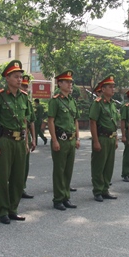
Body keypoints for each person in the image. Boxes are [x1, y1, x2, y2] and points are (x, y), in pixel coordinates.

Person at [0, 60, 33, 224]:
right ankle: (2, 211)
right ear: (7, 78)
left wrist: (27, 141)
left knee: (18, 177)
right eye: (15, 77)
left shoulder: (24, 97)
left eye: (21, 77)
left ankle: (13, 209)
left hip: (20, 141)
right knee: (4, 177)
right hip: (5, 140)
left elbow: (25, 120)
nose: (19, 80)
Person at [48, 70, 80, 211]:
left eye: (71, 82)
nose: (70, 84)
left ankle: (66, 197)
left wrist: (78, 138)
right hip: (60, 140)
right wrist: (54, 140)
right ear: (59, 83)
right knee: (59, 171)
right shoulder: (55, 100)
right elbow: (51, 121)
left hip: (71, 140)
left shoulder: (72, 101)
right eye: (66, 82)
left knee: (68, 170)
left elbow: (76, 121)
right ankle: (58, 199)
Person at [89, 75, 120, 202]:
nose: (113, 89)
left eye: (113, 87)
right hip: (101, 138)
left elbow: (114, 123)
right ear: (103, 89)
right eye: (110, 87)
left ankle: (105, 189)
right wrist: (96, 141)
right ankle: (97, 190)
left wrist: (116, 138)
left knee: (109, 165)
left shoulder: (112, 104)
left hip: (111, 138)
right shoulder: (98, 104)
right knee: (99, 165)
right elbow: (93, 122)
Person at [21, 75, 37, 199]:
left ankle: (22, 188)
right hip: (16, 138)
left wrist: (34, 139)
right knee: (15, 165)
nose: (25, 89)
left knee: (25, 165)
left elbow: (31, 122)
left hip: (26, 137)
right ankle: (14, 188)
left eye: (26, 86)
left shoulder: (28, 102)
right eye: (23, 86)